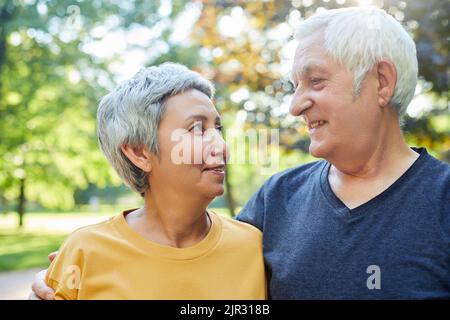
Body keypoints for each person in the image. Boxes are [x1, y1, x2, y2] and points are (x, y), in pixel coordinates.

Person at [31, 6, 449, 300]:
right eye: (294, 87)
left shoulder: (442, 202)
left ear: (382, 82)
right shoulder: (276, 201)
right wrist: (87, 263)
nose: (295, 105)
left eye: (316, 81)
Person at [33, 62, 266, 299]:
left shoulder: (252, 246)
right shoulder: (85, 252)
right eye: (196, 128)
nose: (222, 146)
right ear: (139, 153)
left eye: (218, 128)